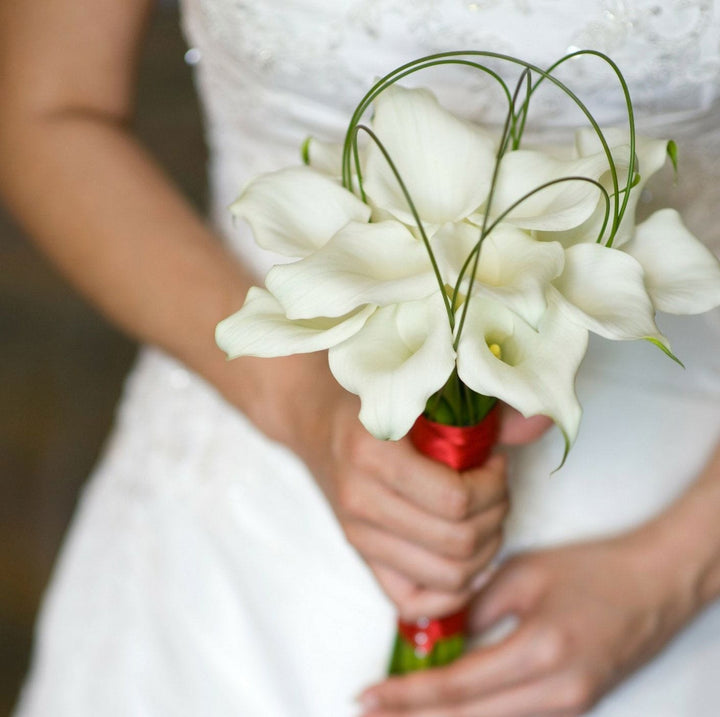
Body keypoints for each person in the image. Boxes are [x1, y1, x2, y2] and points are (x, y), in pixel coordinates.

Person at [1, 1, 718, 717]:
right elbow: (50, 108)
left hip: (662, 534)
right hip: (239, 536)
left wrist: (675, 570)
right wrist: (305, 405)